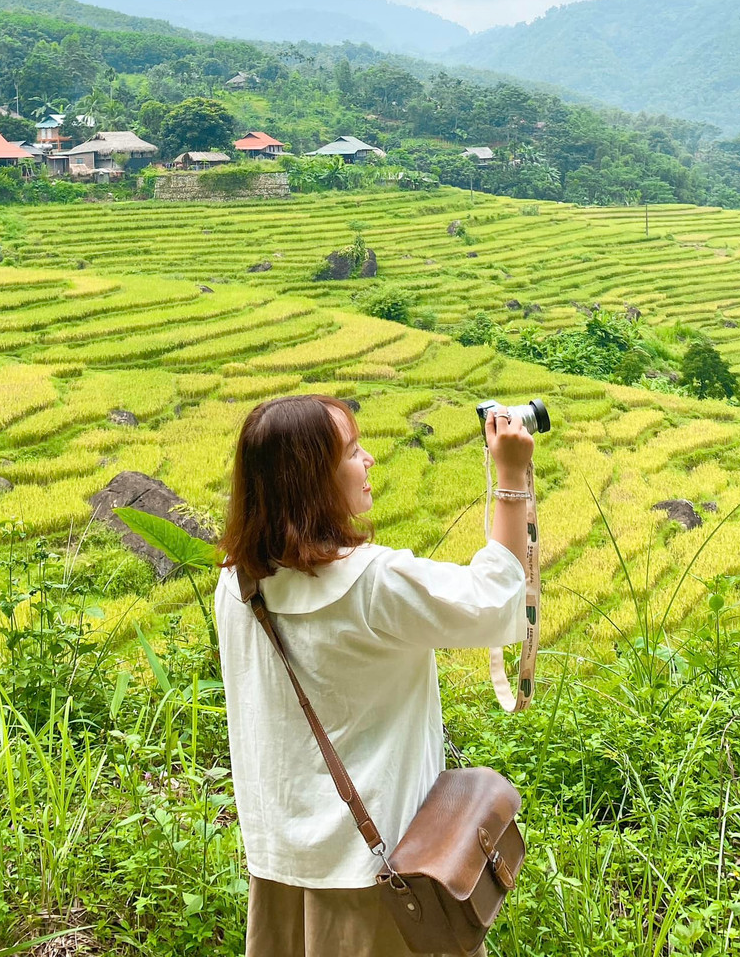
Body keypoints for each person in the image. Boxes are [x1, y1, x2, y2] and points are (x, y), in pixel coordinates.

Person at [216, 393, 535, 957]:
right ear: (310, 480)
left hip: (282, 863)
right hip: (387, 877)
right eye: (351, 451)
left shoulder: (238, 582)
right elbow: (498, 602)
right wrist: (511, 478)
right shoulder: (372, 584)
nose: (368, 460)